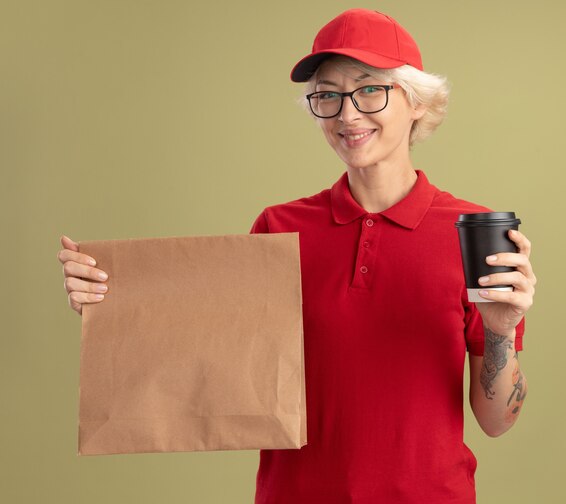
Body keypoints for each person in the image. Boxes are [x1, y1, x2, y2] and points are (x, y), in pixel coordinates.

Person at [57, 8, 537, 503]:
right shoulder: (278, 228)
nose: (348, 114)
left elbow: (497, 421)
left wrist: (500, 331)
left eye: (370, 88)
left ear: (416, 102)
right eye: (327, 95)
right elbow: (210, 360)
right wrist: (110, 306)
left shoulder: (473, 233)